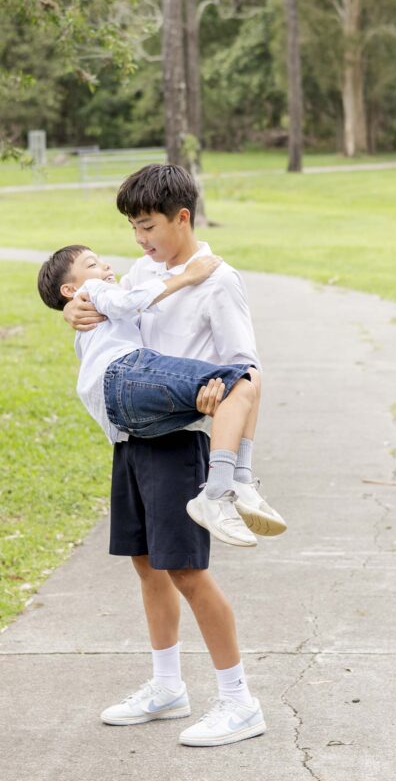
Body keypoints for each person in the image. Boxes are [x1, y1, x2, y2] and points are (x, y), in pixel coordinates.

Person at [61, 163, 283, 747]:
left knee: (187, 571)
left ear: (181, 217)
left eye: (148, 227)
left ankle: (239, 702)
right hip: (132, 436)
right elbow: (112, 313)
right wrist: (74, 310)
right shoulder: (143, 270)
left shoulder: (219, 280)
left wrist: (219, 392)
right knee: (146, 563)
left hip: (180, 439)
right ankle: (167, 687)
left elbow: (245, 369)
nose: (140, 240)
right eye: (134, 229)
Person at [37, 244, 286, 545]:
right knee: (243, 381)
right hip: (125, 374)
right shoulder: (95, 289)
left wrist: (68, 304)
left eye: (102, 260)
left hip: (124, 412)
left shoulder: (119, 285)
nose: (104, 267)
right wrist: (186, 277)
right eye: (93, 264)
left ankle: (240, 480)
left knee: (244, 380)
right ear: (70, 287)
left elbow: (127, 298)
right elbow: (128, 302)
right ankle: (223, 488)